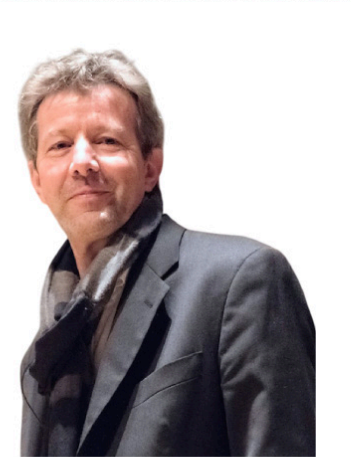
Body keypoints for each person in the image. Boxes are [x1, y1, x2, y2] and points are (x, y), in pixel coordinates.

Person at [19, 49, 315, 456]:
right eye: (60, 145)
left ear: (150, 167)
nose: (82, 162)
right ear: (37, 179)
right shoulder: (44, 354)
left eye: (107, 140)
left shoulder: (239, 281)